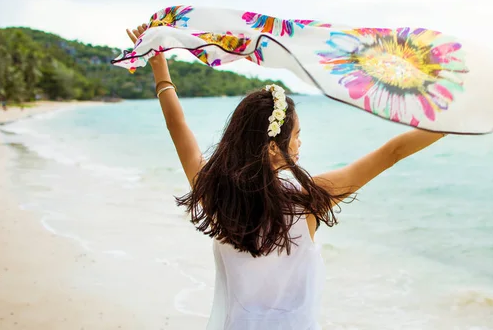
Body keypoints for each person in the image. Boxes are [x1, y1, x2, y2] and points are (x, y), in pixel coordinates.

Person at [126, 24, 446, 330]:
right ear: (272, 148)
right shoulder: (308, 198)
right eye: (296, 135)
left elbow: (177, 127)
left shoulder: (215, 193)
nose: (300, 143)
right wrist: (458, 119)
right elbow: (391, 153)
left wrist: (160, 69)